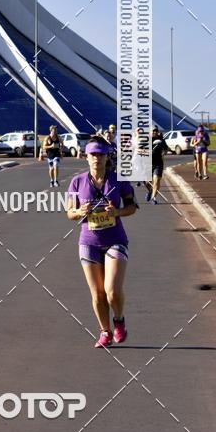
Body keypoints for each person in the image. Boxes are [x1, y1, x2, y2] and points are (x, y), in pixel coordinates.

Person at [67, 136, 139, 348]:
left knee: (111, 291)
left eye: (101, 154)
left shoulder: (119, 180)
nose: (97, 158)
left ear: (107, 157)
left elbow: (132, 207)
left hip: (115, 239)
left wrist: (116, 212)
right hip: (88, 242)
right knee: (97, 295)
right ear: (86, 157)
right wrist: (79, 211)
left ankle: (119, 321)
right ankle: (105, 331)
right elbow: (69, 212)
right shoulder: (77, 182)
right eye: (93, 155)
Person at [144, 127, 169, 203]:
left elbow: (166, 149)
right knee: (147, 182)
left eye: (156, 131)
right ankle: (150, 191)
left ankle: (153, 198)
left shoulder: (161, 140)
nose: (154, 132)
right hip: (147, 164)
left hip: (158, 163)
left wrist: (164, 152)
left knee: (156, 180)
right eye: (153, 131)